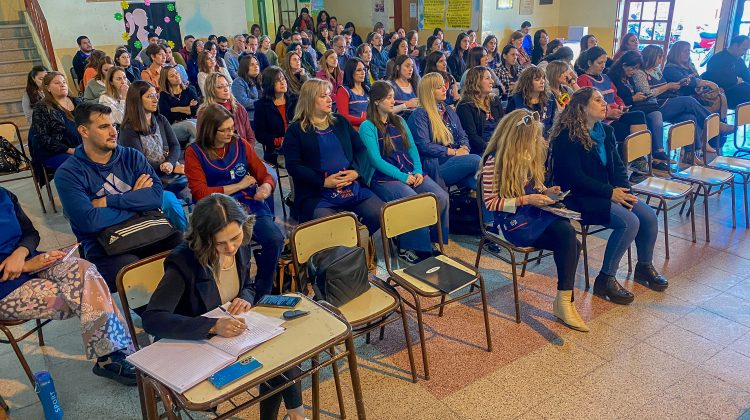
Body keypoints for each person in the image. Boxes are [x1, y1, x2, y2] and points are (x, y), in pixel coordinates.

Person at [141, 194, 306, 420]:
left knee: (281, 354)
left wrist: (245, 297)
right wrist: (213, 325)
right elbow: (153, 319)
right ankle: (297, 416)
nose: (231, 247)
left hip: (232, 337)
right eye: (221, 243)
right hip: (198, 344)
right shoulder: (184, 261)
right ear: (205, 239)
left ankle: (296, 414)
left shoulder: (242, 245)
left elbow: (247, 285)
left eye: (235, 238)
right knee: (276, 359)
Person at [0, 186, 139, 384]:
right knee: (80, 297)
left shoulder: (4, 194)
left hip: (29, 261)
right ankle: (115, 355)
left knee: (85, 269)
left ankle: (114, 353)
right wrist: (22, 267)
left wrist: (21, 252)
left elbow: (30, 233)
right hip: (5, 288)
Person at [550, 87, 669, 305]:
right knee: (629, 222)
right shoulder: (567, 136)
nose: (605, 103)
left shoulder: (606, 132)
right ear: (582, 108)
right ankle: (606, 278)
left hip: (606, 193)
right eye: (597, 100)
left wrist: (623, 191)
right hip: (578, 197)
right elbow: (573, 178)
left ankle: (644, 267)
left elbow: (618, 168)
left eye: (603, 100)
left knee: (648, 216)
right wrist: (610, 193)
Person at [55, 102, 183, 291]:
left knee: (182, 247)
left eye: (114, 125)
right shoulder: (68, 173)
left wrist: (109, 201)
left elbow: (156, 197)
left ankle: (183, 307)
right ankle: (157, 315)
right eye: (103, 126)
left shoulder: (132, 156)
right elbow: (89, 221)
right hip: (102, 243)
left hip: (146, 227)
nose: (113, 132)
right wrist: (136, 200)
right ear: (84, 131)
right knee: (131, 269)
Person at [482, 110, 588, 331]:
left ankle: (564, 301)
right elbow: (490, 204)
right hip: (513, 223)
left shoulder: (527, 156)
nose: (539, 141)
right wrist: (527, 199)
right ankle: (565, 303)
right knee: (569, 239)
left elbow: (533, 188)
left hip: (533, 215)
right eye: (534, 137)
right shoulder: (495, 161)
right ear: (520, 137)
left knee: (568, 236)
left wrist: (547, 193)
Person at [185, 105, 283, 300]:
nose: (231, 133)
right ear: (210, 130)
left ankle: (263, 290)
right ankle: (239, 293)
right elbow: (200, 193)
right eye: (225, 130)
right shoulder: (194, 152)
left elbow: (264, 174)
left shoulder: (240, 144)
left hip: (247, 205)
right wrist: (238, 185)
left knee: (275, 239)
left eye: (232, 128)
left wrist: (266, 187)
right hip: (216, 210)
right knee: (239, 245)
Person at [359, 81, 449, 263]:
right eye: (389, 97)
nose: (393, 101)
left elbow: (412, 148)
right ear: (376, 101)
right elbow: (376, 160)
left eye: (393, 96)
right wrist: (403, 177)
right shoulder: (367, 126)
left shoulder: (399, 121)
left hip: (409, 170)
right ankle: (408, 247)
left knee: (440, 196)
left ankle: (429, 241)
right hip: (384, 177)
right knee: (412, 200)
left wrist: (417, 171)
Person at [282, 78, 384, 232]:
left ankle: (360, 245)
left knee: (381, 213)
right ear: (309, 100)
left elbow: (361, 150)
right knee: (337, 228)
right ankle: (348, 250)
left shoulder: (340, 122)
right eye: (323, 96)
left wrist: (356, 172)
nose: (330, 100)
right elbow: (293, 166)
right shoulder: (295, 130)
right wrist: (323, 181)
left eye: (329, 95)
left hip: (351, 185)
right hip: (318, 193)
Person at [639, 44, 733, 147]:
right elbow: (646, 93)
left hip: (667, 100)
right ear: (651, 57)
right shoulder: (642, 73)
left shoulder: (656, 71)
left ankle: (692, 153)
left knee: (690, 117)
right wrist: (668, 86)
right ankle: (715, 125)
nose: (662, 59)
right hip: (654, 106)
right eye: (659, 57)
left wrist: (678, 84)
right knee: (689, 101)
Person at [118, 81, 190, 216]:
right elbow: (139, 161)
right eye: (149, 96)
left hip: (168, 170)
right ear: (137, 101)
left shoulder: (161, 119)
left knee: (198, 185)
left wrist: (170, 162)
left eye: (155, 95)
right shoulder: (128, 129)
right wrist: (169, 166)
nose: (155, 99)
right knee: (172, 204)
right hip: (149, 178)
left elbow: (175, 145)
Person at [407, 72, 479, 191]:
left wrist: (465, 148)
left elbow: (462, 134)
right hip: (436, 165)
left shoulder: (447, 110)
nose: (444, 88)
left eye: (444, 85)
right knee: (476, 160)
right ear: (429, 91)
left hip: (455, 159)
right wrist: (454, 152)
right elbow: (425, 146)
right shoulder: (419, 115)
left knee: (481, 183)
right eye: (439, 87)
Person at [576, 46, 648, 150]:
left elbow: (616, 96)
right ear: (589, 63)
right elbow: (586, 107)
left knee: (639, 115)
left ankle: (639, 156)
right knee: (625, 130)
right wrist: (607, 114)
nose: (603, 66)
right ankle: (633, 157)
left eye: (604, 63)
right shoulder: (583, 80)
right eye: (599, 63)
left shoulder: (605, 77)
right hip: (602, 119)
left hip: (616, 114)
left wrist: (622, 107)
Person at [31, 72, 82, 169]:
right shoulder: (42, 107)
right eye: (57, 83)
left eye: (64, 82)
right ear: (48, 88)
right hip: (54, 152)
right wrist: (69, 150)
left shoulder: (77, 101)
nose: (62, 84)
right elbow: (42, 138)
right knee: (78, 165)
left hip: (80, 147)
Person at [663, 40, 726, 117]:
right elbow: (688, 82)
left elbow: (699, 79)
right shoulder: (670, 69)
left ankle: (720, 121)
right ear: (676, 53)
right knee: (692, 110)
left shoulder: (690, 66)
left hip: (695, 95)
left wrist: (705, 89)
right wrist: (709, 84)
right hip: (680, 98)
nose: (688, 53)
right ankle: (714, 123)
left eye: (689, 51)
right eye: (684, 51)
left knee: (720, 95)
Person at [198, 73, 256, 148]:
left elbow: (250, 135)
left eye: (227, 85)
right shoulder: (204, 112)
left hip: (242, 151)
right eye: (220, 87)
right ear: (211, 90)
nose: (226, 89)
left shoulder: (238, 108)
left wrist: (247, 151)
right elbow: (202, 141)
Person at [254, 66, 297, 163]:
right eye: (278, 81)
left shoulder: (295, 100)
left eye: (283, 79)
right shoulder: (261, 106)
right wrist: (278, 141)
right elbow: (260, 134)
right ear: (269, 84)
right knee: (295, 164)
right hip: (277, 150)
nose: (283, 82)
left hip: (298, 145)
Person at [457, 66, 504, 153]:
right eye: (487, 78)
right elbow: (472, 137)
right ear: (476, 82)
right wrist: (491, 147)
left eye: (491, 78)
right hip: (480, 149)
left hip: (498, 145)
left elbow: (503, 125)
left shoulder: (494, 100)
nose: (492, 81)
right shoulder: (465, 106)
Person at [505, 66, 556, 134]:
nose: (542, 81)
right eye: (537, 79)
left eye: (543, 78)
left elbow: (552, 123)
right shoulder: (515, 99)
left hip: (545, 138)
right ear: (527, 82)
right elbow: (510, 127)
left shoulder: (550, 98)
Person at [158, 65, 199, 147]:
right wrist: (188, 108)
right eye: (172, 76)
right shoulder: (164, 96)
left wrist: (175, 109)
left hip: (191, 121)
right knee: (190, 125)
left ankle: (191, 148)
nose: (177, 76)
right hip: (173, 127)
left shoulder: (190, 89)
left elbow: (196, 110)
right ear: (167, 81)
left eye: (176, 73)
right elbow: (167, 116)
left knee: (199, 127)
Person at [704, 35, 750, 108]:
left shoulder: (739, 61)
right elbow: (719, 79)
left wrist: (739, 81)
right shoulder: (718, 59)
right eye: (744, 49)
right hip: (720, 93)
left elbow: (747, 77)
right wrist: (736, 80)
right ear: (735, 46)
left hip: (735, 91)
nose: (744, 53)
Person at [336, 58, 370, 129]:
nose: (363, 72)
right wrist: (366, 121)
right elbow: (344, 117)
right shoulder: (343, 90)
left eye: (364, 69)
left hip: (369, 127)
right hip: (353, 130)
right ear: (350, 72)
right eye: (359, 70)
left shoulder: (367, 89)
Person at [232, 55, 262, 119]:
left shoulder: (260, 80)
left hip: (262, 114)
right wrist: (262, 102)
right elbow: (243, 102)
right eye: (252, 65)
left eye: (257, 64)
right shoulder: (238, 82)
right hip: (249, 118)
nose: (256, 66)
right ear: (244, 67)